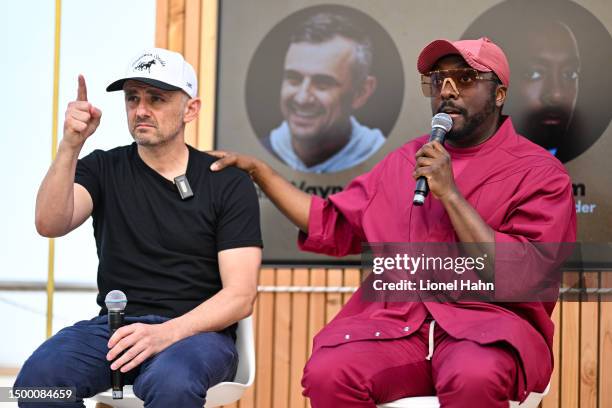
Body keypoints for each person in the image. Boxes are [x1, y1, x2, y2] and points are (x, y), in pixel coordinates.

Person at [210, 37, 576, 407]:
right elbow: (331, 221)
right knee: (330, 373)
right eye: (438, 80)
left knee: (474, 376)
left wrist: (449, 194)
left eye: (464, 78)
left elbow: (523, 276)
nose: (447, 90)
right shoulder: (406, 161)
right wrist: (260, 172)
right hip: (400, 329)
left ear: (499, 94)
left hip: (486, 329)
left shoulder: (539, 173)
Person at [14, 48, 263, 408]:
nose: (141, 110)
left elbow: (240, 296)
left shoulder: (227, 182)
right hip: (115, 330)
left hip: (196, 334)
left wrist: (165, 333)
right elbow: (49, 224)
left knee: (172, 383)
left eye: (157, 98)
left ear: (190, 109)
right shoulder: (103, 168)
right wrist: (71, 144)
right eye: (133, 98)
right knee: (39, 383)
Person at [263, 12, 385, 173]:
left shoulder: (388, 161)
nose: (302, 98)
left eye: (322, 83)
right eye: (294, 79)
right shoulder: (258, 154)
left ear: (361, 92)